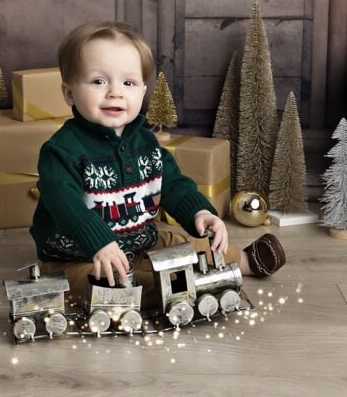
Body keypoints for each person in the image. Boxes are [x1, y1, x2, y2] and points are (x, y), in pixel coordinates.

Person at [30, 21, 286, 308]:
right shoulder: (61, 151)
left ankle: (243, 261)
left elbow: (173, 184)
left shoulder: (146, 144)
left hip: (141, 240)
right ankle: (169, 290)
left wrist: (199, 211)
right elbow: (67, 207)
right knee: (108, 285)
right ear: (69, 93)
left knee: (192, 244)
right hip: (78, 255)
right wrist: (99, 242)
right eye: (99, 81)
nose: (115, 92)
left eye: (128, 83)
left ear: (141, 91)